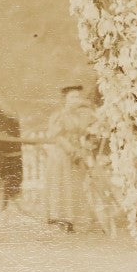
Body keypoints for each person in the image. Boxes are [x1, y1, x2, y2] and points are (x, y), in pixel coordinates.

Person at [44, 83, 95, 232]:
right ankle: (60, 219)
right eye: (72, 97)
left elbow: (86, 131)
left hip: (76, 154)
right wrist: (72, 150)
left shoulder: (80, 116)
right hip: (61, 155)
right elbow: (57, 136)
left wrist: (84, 147)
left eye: (78, 97)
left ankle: (72, 219)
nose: (76, 100)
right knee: (62, 185)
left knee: (74, 186)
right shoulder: (59, 116)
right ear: (65, 99)